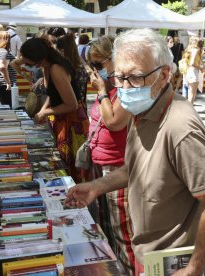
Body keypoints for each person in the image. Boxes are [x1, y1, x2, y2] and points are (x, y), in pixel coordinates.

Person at [65, 29, 205, 276]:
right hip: (148, 254)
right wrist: (96, 187)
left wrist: (195, 267)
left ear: (164, 75)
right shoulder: (141, 110)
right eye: (118, 77)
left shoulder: (180, 128)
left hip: (173, 262)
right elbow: (135, 169)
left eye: (135, 77)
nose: (125, 86)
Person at [86, 35, 134, 275]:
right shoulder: (111, 87)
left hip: (118, 168)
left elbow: (114, 122)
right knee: (108, 228)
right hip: (102, 164)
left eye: (98, 64)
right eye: (92, 66)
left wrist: (103, 91)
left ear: (115, 58)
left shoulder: (126, 88)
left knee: (123, 231)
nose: (95, 71)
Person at [18, 38, 89, 183]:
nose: (25, 64)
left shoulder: (56, 69)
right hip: (61, 117)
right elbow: (54, 94)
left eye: (27, 61)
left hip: (71, 121)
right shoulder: (47, 67)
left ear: (37, 58)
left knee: (69, 164)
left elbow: (72, 104)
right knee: (61, 160)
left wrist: (45, 112)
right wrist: (43, 110)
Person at [56, 33, 89, 111]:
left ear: (62, 50)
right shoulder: (80, 62)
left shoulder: (64, 66)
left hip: (67, 110)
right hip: (80, 109)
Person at [0, 31, 17, 106]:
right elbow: (1, 66)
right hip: (3, 84)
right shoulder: (3, 52)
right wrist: (8, 83)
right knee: (7, 107)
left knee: (3, 106)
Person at [184, 36, 203, 104]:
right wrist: (200, 68)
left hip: (188, 72)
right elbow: (192, 63)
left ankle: (189, 110)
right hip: (193, 72)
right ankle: (190, 111)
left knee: (190, 92)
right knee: (192, 94)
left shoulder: (188, 50)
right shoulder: (195, 50)